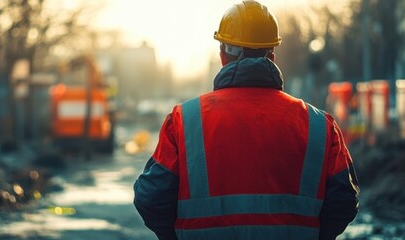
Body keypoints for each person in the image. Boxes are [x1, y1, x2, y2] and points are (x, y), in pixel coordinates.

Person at [133, 1, 359, 239]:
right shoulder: (319, 126)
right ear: (272, 55)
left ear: (222, 56)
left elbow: (151, 198)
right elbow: (344, 200)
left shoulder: (184, 120)